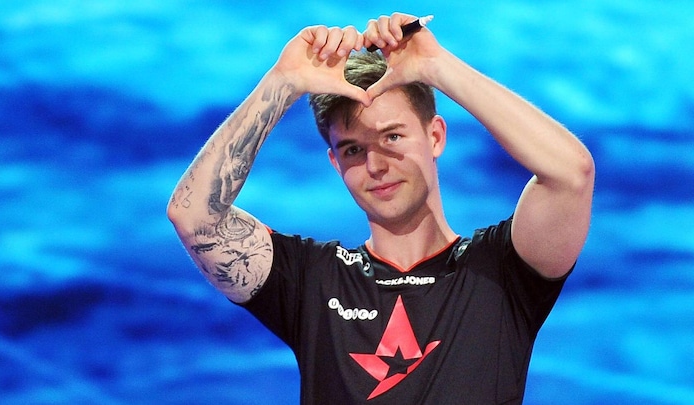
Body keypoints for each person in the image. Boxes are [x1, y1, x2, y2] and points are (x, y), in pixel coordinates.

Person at [167, 11, 594, 404]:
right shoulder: (311, 281)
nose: (375, 166)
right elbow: (195, 218)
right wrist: (282, 82)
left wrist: (437, 66)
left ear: (435, 137)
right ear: (335, 163)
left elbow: (571, 174)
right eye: (353, 149)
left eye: (392, 137)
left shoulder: (500, 271)